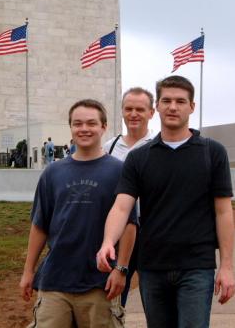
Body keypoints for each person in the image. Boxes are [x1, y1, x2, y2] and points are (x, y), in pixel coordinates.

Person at [97, 75, 235, 328]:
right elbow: (121, 207)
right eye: (167, 100)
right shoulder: (138, 158)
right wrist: (108, 241)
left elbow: (224, 213)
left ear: (192, 107)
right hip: (152, 267)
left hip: (197, 266)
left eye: (181, 101)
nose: (173, 107)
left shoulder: (212, 152)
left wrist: (226, 267)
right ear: (157, 107)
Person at [19, 99, 135, 328]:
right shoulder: (52, 173)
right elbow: (39, 225)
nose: (84, 129)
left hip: (100, 284)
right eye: (77, 123)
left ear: (103, 127)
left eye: (91, 123)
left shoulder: (120, 171)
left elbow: (130, 225)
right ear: (70, 128)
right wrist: (28, 271)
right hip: (54, 282)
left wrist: (121, 270)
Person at [102, 87, 155, 307]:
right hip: (120, 232)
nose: (134, 114)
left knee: (154, 299)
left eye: (140, 109)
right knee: (114, 296)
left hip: (152, 232)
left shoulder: (158, 146)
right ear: (122, 111)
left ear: (151, 113)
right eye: (129, 109)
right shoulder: (110, 147)